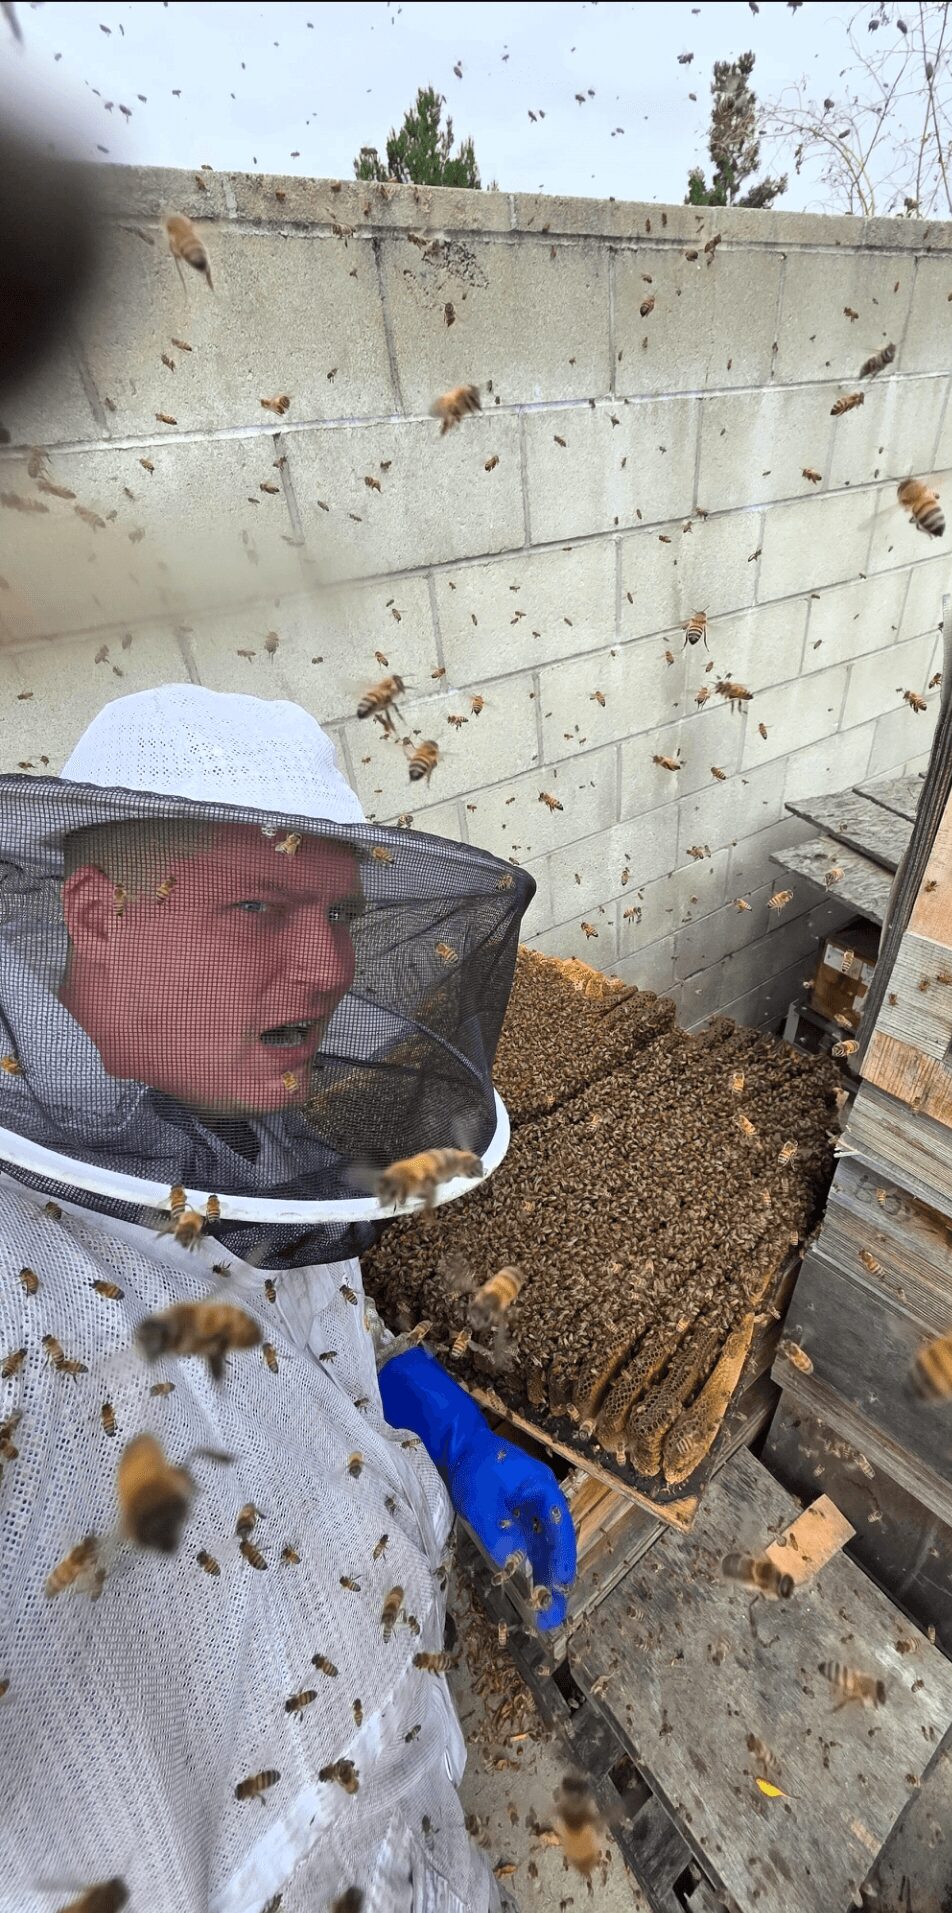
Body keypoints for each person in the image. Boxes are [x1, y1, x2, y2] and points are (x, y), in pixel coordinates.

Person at [0, 684, 575, 1913]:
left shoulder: (229, 1114)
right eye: (259, 905)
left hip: (410, 1809)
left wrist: (415, 1403)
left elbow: (254, 1306)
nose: (324, 967)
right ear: (94, 914)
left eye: (338, 915)